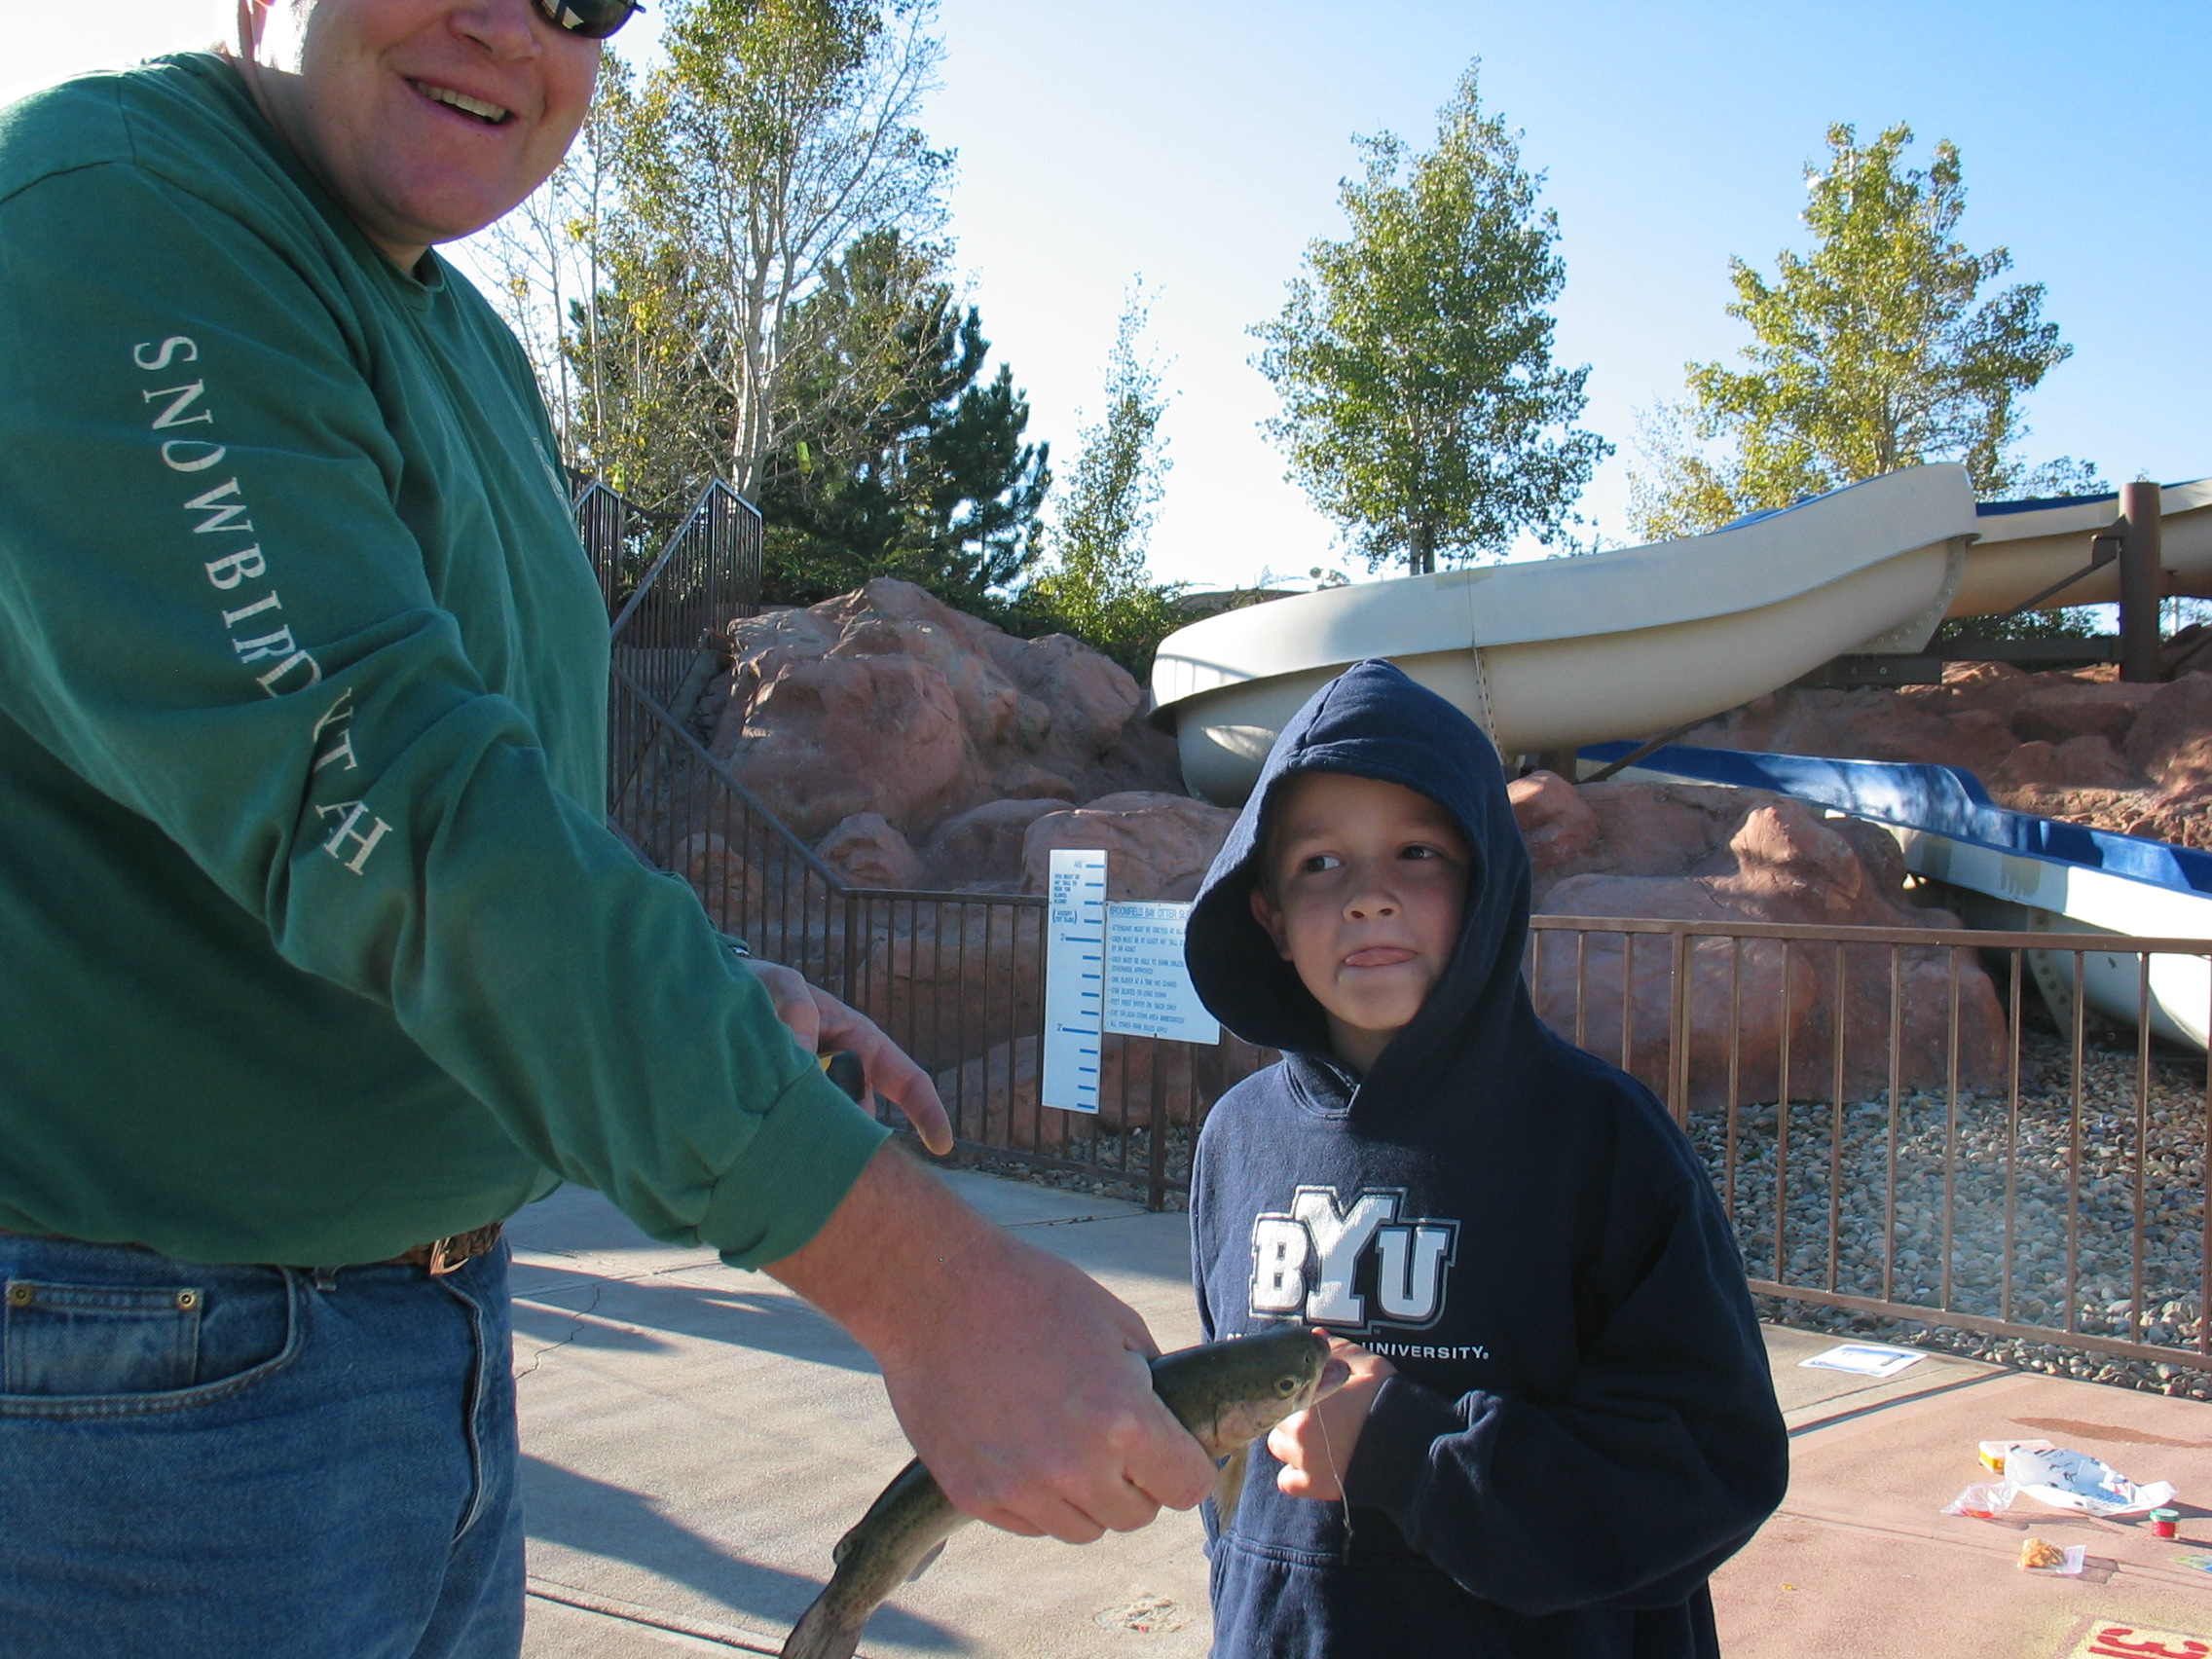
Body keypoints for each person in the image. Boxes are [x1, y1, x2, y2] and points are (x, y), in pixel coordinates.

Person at [0, 4, 1212, 1655]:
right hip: (148, 1378)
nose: (508, 28)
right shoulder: (115, 220)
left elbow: (515, 812)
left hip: (433, 1334)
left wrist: (712, 976)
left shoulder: (470, 346)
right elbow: (405, 817)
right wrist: (927, 1285)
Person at [1181, 659, 1788, 1658]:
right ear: (1268, 917)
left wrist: (1415, 1455)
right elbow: (1231, 1481)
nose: (1370, 897)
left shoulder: (1600, 1140)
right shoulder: (1235, 1138)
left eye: (1417, 853)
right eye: (1320, 865)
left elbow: (1711, 1467)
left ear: (1490, 885)